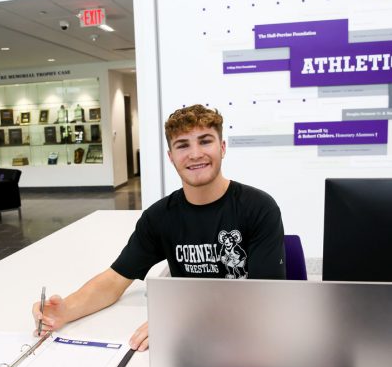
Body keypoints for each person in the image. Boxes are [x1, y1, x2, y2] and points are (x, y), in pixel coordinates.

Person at [33, 104, 285, 351]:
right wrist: (65, 310)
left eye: (205, 141)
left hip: (247, 340)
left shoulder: (258, 207)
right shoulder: (159, 217)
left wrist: (181, 321)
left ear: (222, 147)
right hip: (189, 347)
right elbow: (115, 280)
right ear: (171, 156)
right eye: (182, 145)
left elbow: (264, 298)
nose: (195, 153)